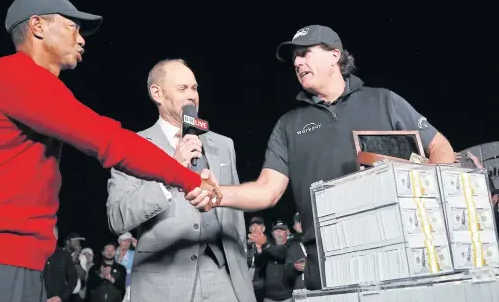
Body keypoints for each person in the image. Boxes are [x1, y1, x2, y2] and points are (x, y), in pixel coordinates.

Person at [0, 0, 214, 302]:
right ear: (38, 26)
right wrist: (190, 179)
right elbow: (107, 140)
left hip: (0, 260)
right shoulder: (14, 74)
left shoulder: (23, 84)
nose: (82, 39)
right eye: (73, 27)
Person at [186, 25, 455, 290]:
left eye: (305, 53)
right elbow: (268, 191)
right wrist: (217, 194)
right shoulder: (288, 124)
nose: (297, 62)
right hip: (327, 258)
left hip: (396, 247)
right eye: (294, 58)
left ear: (334, 55)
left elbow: (440, 147)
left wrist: (427, 195)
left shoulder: (384, 100)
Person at [106, 59, 255, 302]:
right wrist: (172, 171)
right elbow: (117, 217)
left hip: (222, 277)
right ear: (157, 93)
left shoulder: (223, 145)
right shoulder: (132, 146)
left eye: (194, 88)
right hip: (163, 280)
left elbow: (234, 214)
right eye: (182, 88)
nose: (192, 95)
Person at [249, 221, 293, 302]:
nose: (278, 232)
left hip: (288, 297)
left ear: (287, 233)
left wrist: (264, 244)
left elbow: (281, 255)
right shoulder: (268, 249)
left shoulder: (291, 246)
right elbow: (259, 264)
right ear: (272, 234)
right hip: (269, 297)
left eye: (281, 230)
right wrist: (259, 248)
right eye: (276, 230)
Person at [43, 225, 79, 302]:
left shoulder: (65, 256)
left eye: (53, 235)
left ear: (57, 237)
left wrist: (61, 297)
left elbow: (73, 280)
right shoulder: (38, 255)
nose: (50, 238)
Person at [284, 213, 307, 290]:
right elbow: (287, 273)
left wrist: (308, 266)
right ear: (294, 227)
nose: (301, 223)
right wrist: (294, 267)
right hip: (301, 290)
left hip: (319, 286)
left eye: (302, 220)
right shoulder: (291, 246)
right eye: (297, 222)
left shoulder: (317, 240)